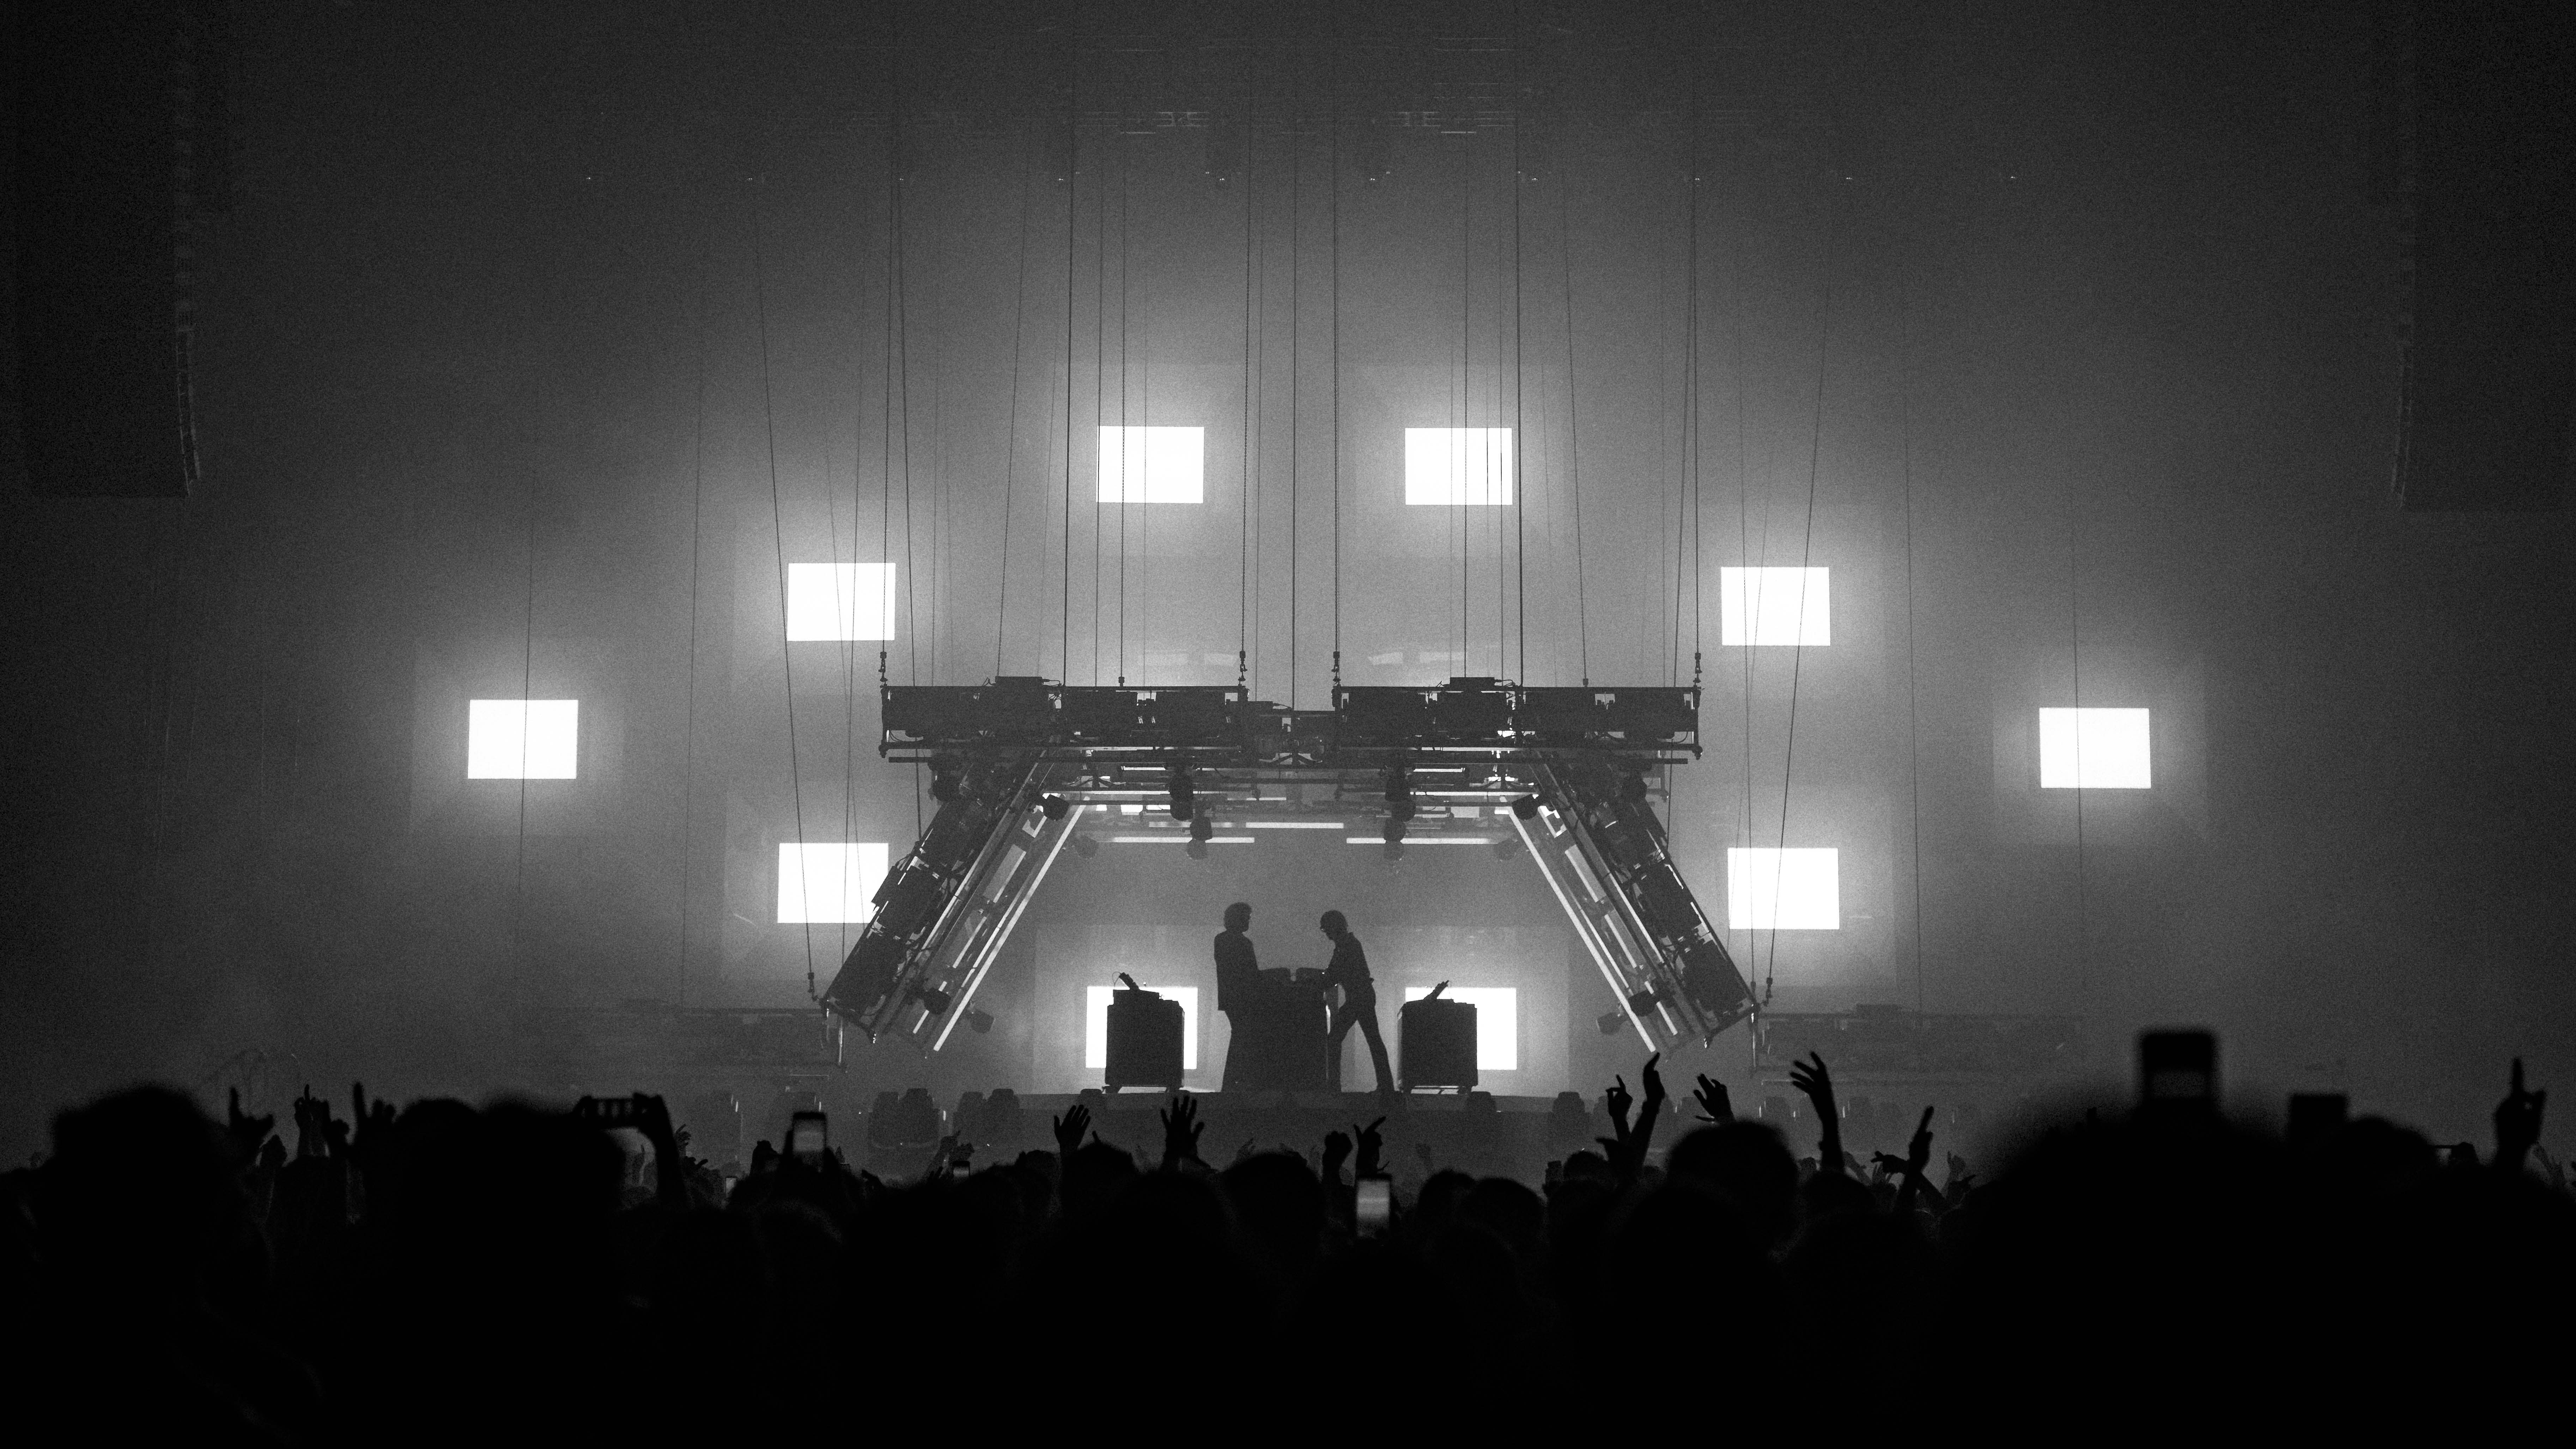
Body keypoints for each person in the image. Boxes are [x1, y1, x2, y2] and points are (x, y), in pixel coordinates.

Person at [1319, 909, 1396, 1096]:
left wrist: (1317, 982)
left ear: (1334, 927)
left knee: (1335, 1039)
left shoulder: (1346, 946)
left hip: (1358, 999)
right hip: (1363, 997)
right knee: (1374, 1041)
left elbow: (1333, 975)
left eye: (1327, 929)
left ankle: (1334, 1087)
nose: (1326, 934)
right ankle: (1386, 1087)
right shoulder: (1348, 944)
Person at [1215, 902, 1263, 1092]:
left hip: (1231, 998)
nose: (1248, 922)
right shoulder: (1243, 943)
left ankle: (1232, 1084)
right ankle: (1236, 1083)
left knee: (1239, 1036)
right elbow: (1251, 973)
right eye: (1246, 918)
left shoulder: (1221, 940)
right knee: (1242, 1037)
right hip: (1242, 999)